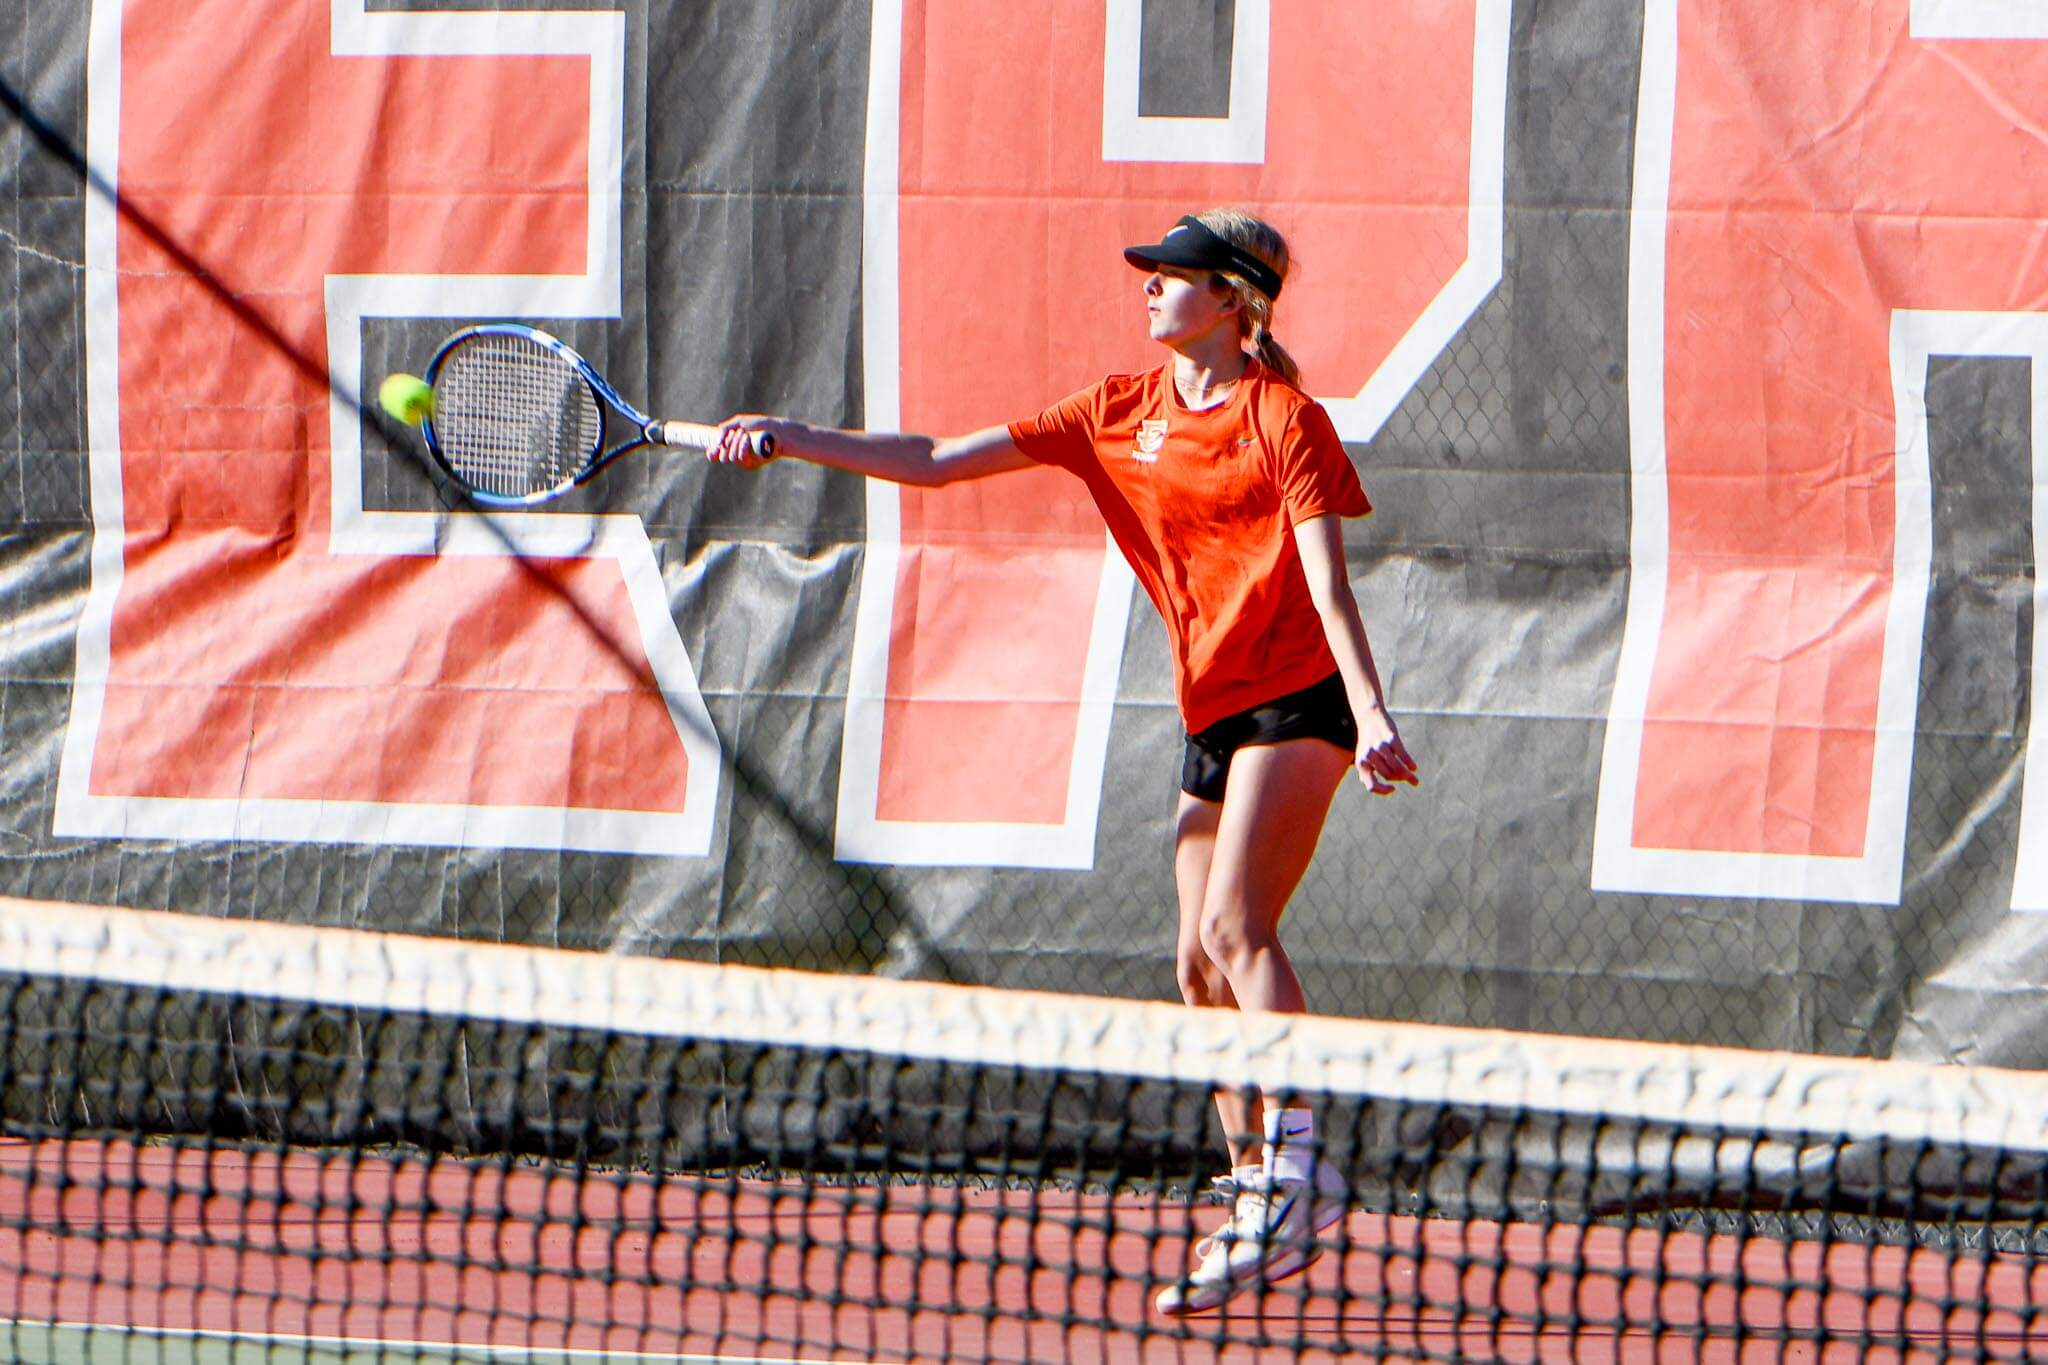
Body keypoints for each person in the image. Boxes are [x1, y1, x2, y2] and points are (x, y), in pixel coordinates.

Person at [707, 208, 1420, 1315]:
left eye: (1174, 274)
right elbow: (936, 462)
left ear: (1230, 298)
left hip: (1301, 698)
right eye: (1150, 273)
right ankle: (1251, 1191)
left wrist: (1369, 714)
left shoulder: (1285, 419)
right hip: (1211, 707)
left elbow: (1328, 583)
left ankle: (1297, 1171)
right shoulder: (1114, 412)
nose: (1150, 287)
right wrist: (794, 434)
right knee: (1195, 967)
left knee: (1237, 926)